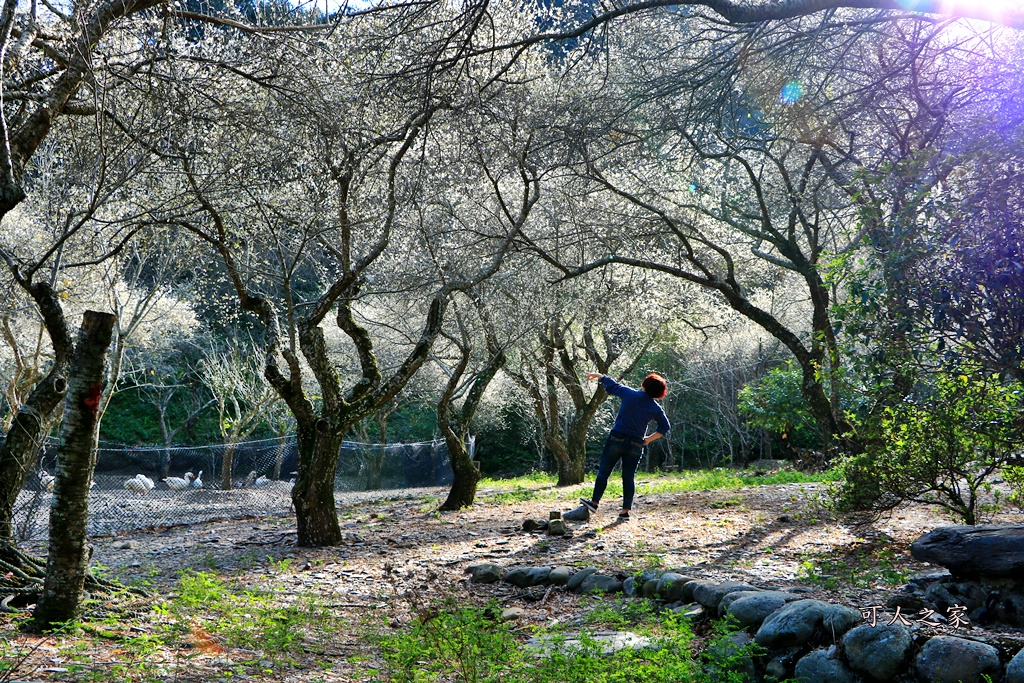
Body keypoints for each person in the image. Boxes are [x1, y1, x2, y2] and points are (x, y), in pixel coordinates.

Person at [572, 371, 670, 521]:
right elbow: (665, 427)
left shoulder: (629, 394)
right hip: (636, 443)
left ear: (644, 384)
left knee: (604, 472)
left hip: (617, 438)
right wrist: (647, 440)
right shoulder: (655, 408)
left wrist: (599, 376)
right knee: (628, 477)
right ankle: (625, 512)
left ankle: (594, 503)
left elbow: (612, 386)